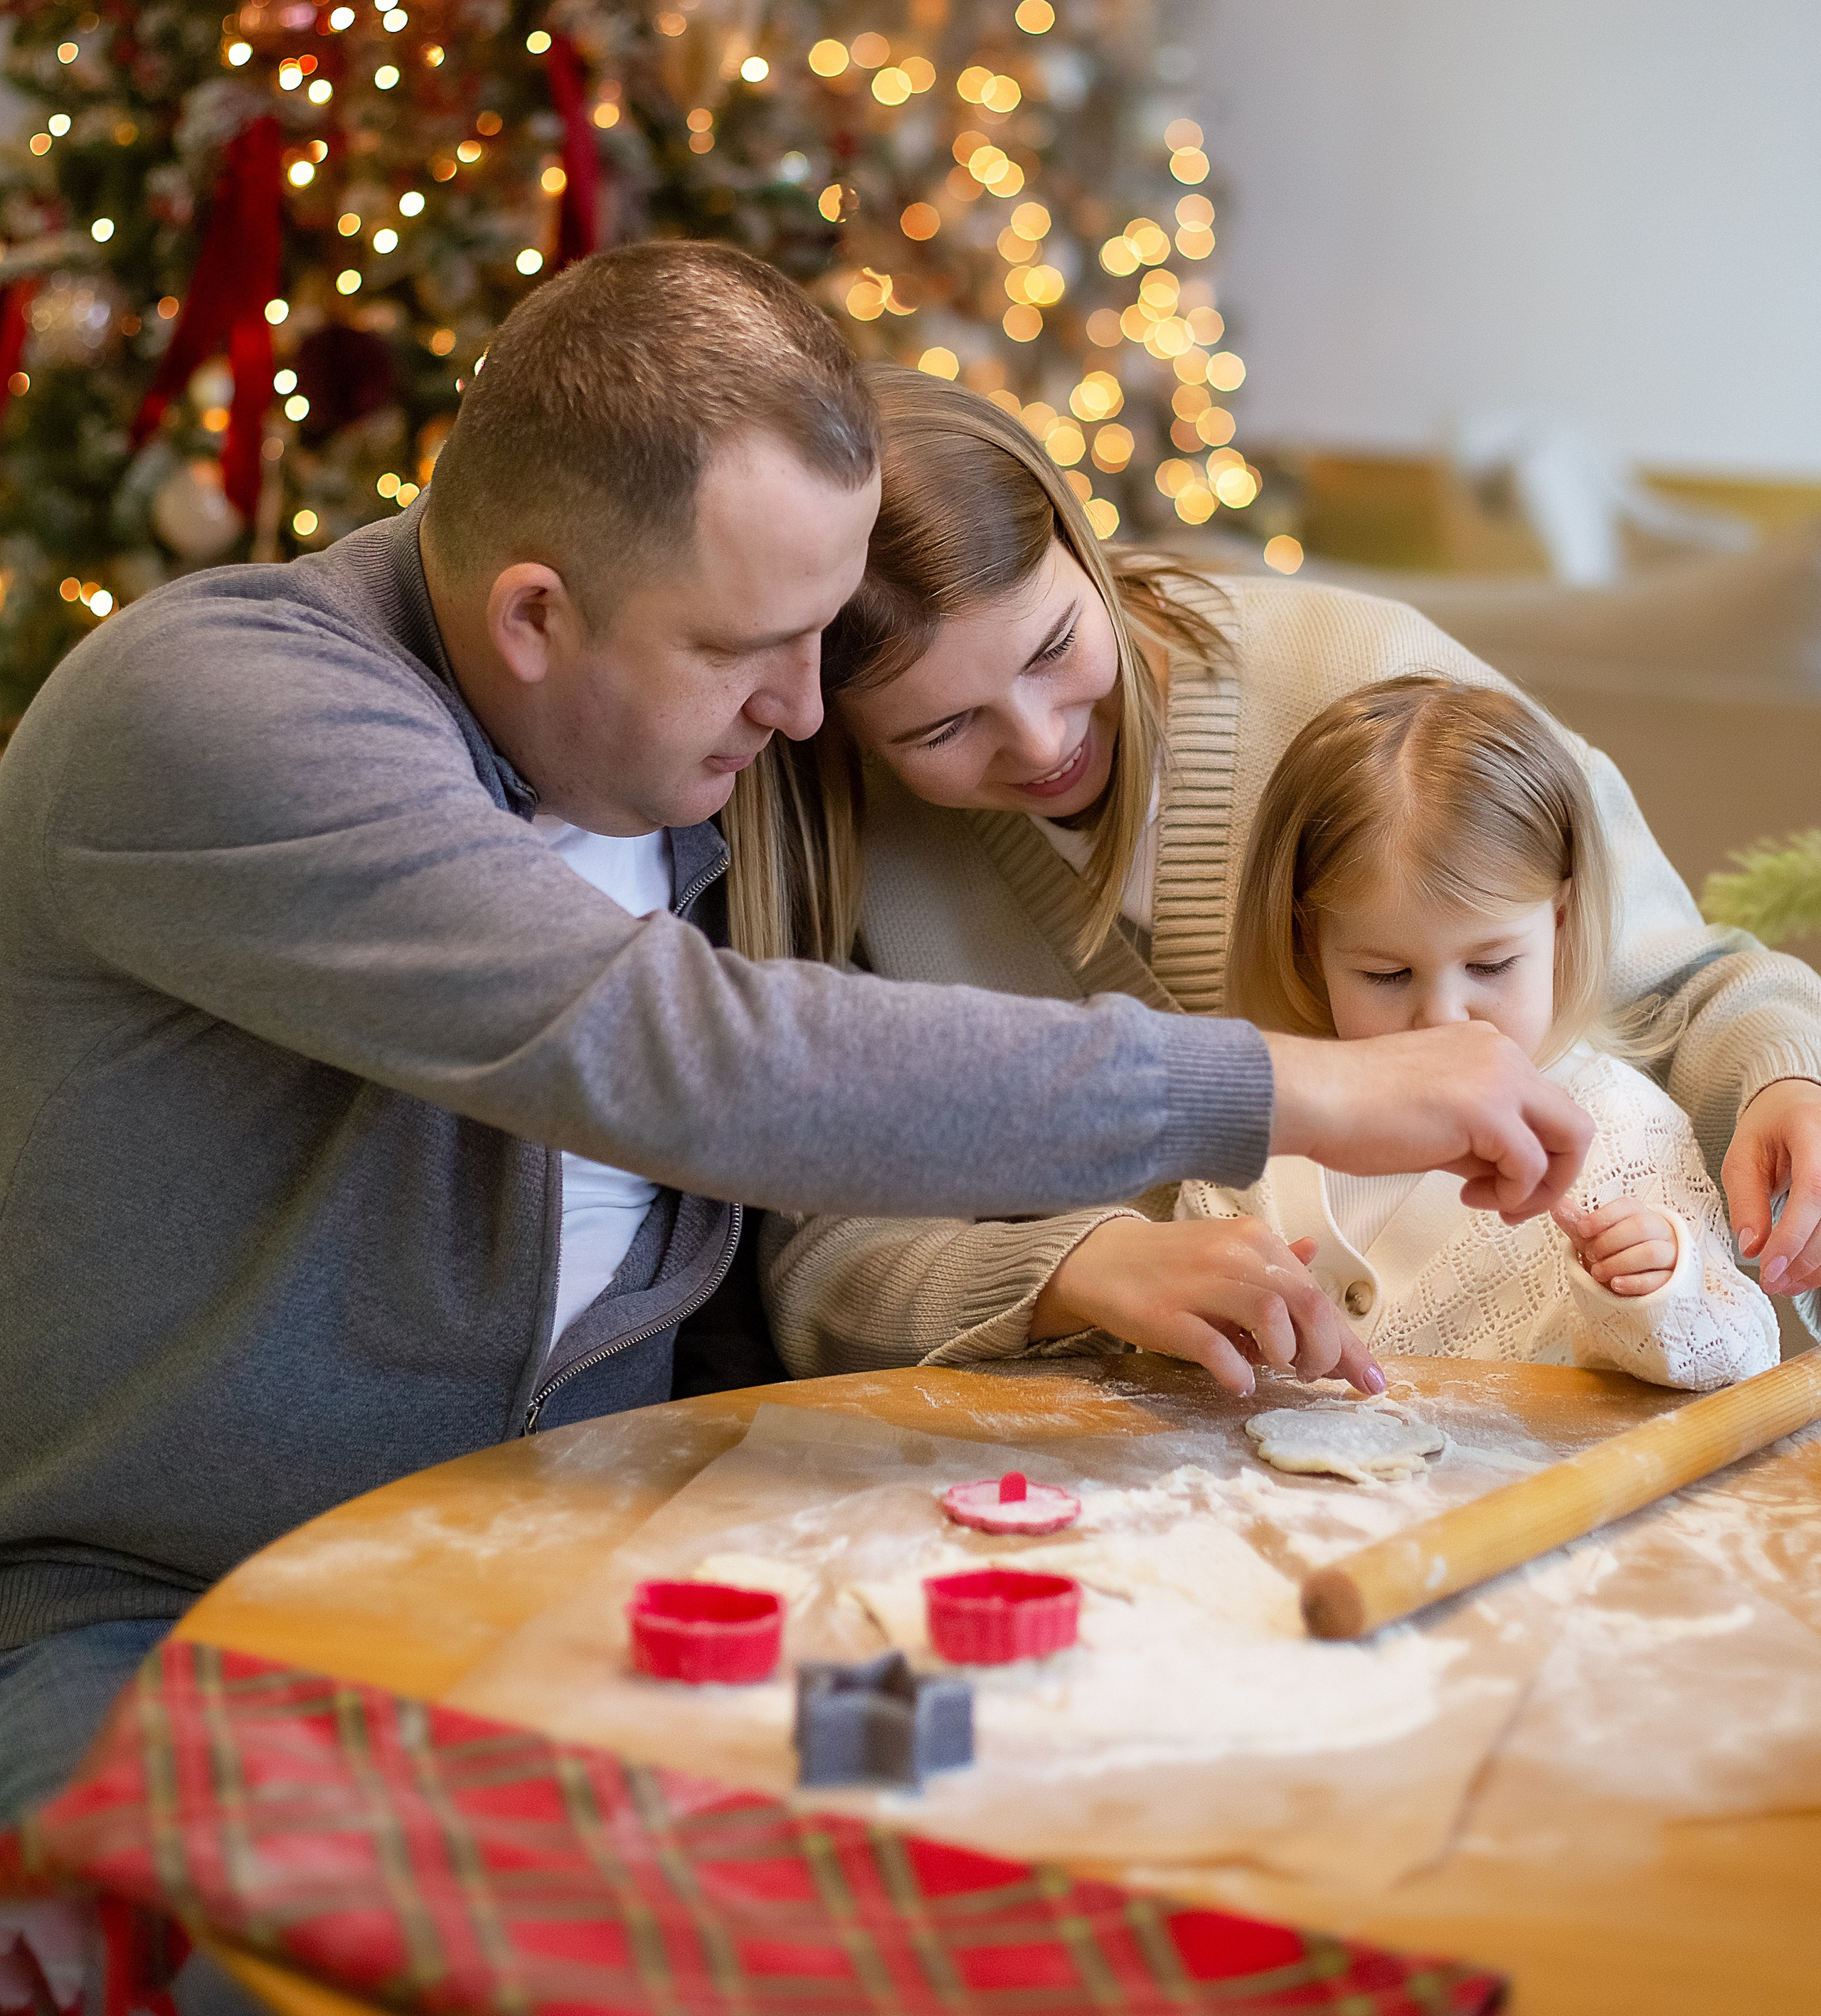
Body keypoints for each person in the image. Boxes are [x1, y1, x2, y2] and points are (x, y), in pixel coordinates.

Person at [0, 244, 1592, 1827]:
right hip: (181, 1606)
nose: (804, 712)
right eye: (746, 645)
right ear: (536, 613)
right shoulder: (219, 712)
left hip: (606, 1576)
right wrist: (1286, 1084)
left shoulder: (689, 767)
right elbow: (693, 1058)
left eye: (821, 639)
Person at [755, 368, 1821, 1386]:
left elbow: (1690, 988)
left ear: (1081, 545)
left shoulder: (1373, 689)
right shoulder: (838, 835)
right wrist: (1076, 1274)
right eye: (942, 726)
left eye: (1053, 648)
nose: (1039, 743)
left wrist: (1787, 1075)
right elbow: (820, 1259)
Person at [1190, 674, 1779, 1385]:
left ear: (1558, 922)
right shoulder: (1258, 1118)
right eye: (1385, 975)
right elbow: (1175, 1340)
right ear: (1307, 946)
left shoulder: (1620, 1130)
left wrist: (1662, 1281)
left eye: (1492, 965)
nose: (1442, 1019)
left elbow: (1741, 1362)